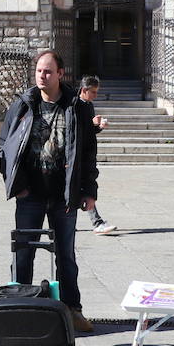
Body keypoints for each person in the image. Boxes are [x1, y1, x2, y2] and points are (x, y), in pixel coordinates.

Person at [0, 50, 99, 333]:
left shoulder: (78, 107)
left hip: (63, 193)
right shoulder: (23, 105)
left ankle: (72, 309)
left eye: (48, 72)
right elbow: (4, 146)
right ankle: (19, 308)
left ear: (60, 74)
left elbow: (89, 152)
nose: (42, 76)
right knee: (23, 252)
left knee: (65, 254)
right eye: (39, 71)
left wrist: (89, 190)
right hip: (30, 193)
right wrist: (15, 185)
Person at [78, 75, 117, 234]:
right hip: (78, 155)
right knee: (84, 189)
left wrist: (99, 126)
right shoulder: (75, 105)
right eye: (93, 92)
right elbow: (76, 129)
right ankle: (97, 222)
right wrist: (91, 123)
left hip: (86, 154)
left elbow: (88, 131)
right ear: (84, 90)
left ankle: (61, 223)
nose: (95, 95)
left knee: (79, 189)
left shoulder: (89, 105)